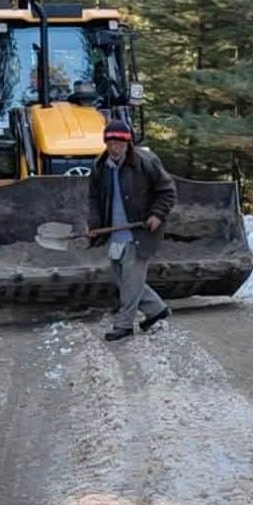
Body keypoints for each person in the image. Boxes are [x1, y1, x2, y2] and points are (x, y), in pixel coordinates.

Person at [88, 119, 177, 341]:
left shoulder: (146, 162)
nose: (114, 147)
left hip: (140, 232)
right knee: (123, 279)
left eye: (119, 143)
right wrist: (95, 225)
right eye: (110, 143)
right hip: (115, 232)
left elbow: (167, 191)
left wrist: (157, 214)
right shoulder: (100, 166)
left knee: (130, 282)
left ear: (128, 142)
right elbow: (94, 199)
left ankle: (124, 325)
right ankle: (157, 310)